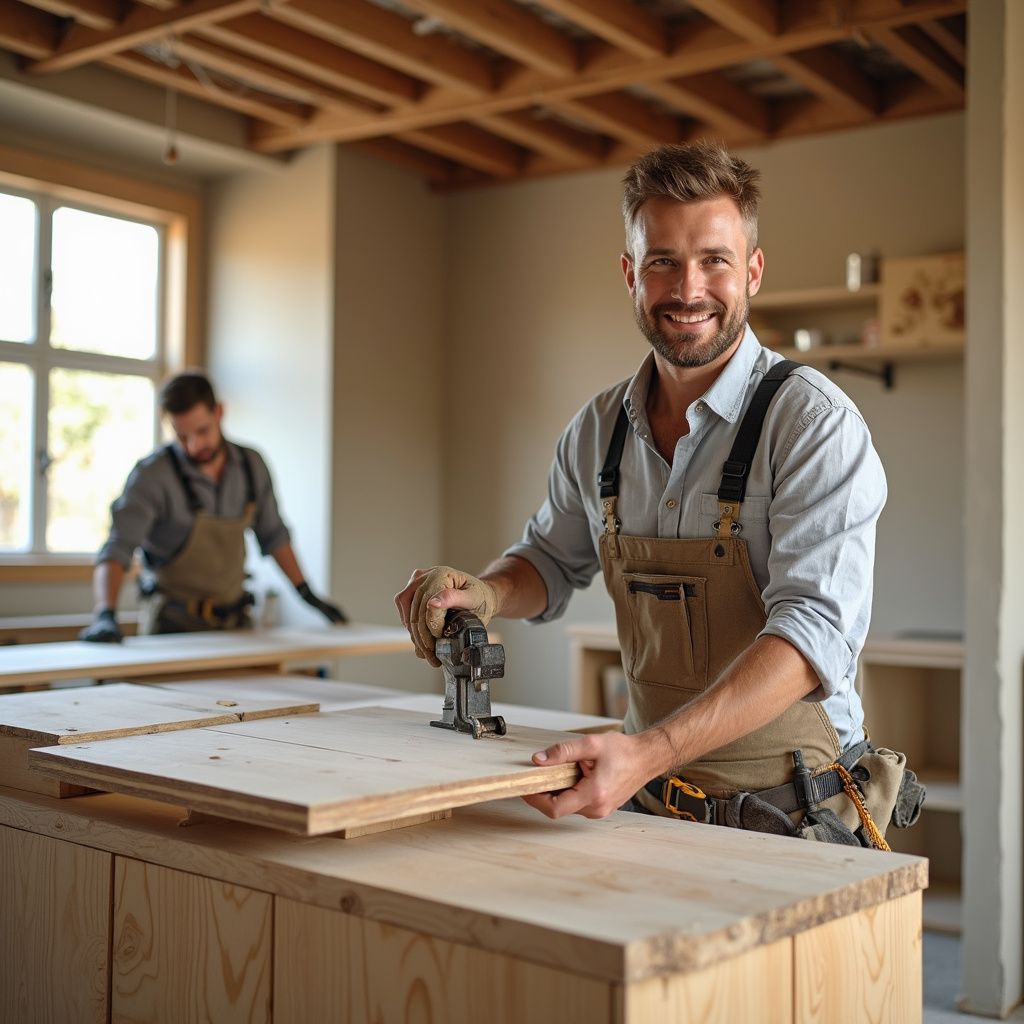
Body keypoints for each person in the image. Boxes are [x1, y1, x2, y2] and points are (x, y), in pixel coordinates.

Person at [396, 141, 923, 848]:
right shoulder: (597, 430)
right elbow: (549, 562)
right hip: (650, 805)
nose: (688, 289)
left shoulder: (811, 423)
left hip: (797, 818)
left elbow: (809, 639)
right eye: (663, 262)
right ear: (630, 274)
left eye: (715, 260)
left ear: (753, 271)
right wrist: (483, 593)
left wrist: (648, 751)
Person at [80, 371, 346, 641]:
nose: (194, 445)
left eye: (202, 431)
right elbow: (118, 548)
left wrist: (306, 593)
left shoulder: (251, 466)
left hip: (235, 624)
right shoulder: (152, 475)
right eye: (182, 436)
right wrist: (105, 614)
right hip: (171, 627)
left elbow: (274, 536)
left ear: (219, 412)